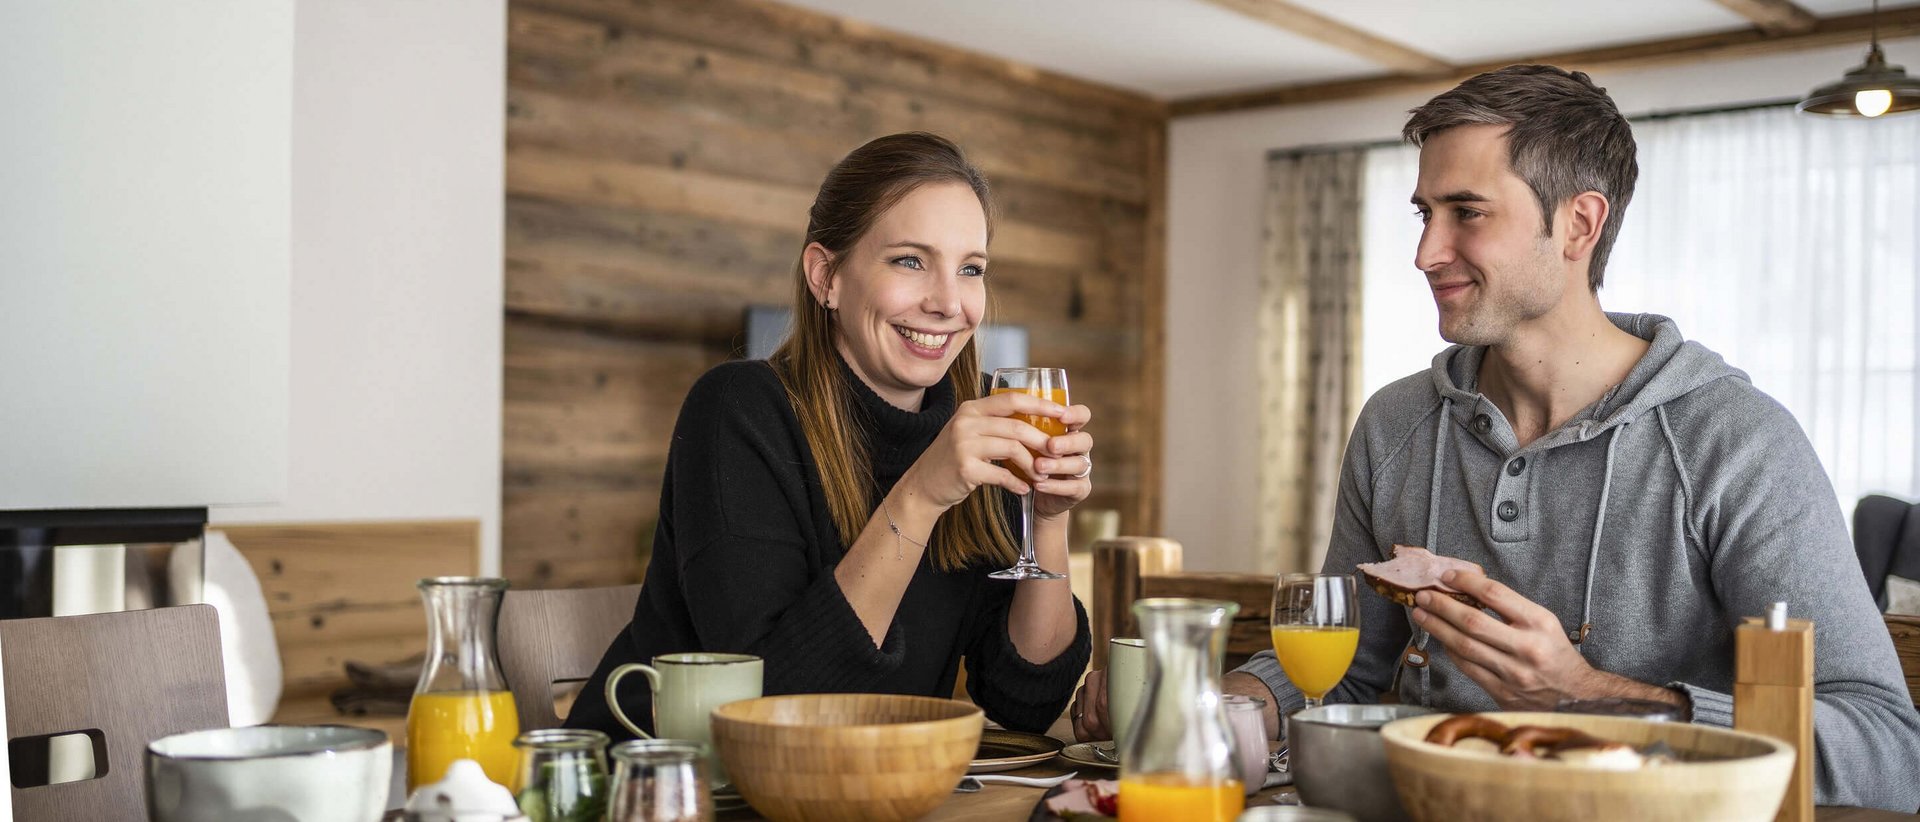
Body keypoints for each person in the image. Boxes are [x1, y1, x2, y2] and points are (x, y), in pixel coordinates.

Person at [1071, 65, 1920, 810]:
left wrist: (1586, 691)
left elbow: (1888, 746)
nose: (1426, 251)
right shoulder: (1396, 425)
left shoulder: (1737, 443)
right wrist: (1222, 705)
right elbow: (1343, 667)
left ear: (1580, 225)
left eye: (1466, 212)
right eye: (1423, 212)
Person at [567, 132, 1094, 741]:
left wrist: (1046, 519)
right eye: (910, 260)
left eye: (970, 269)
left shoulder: (974, 429)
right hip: (663, 790)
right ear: (826, 276)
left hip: (858, 794)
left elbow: (1026, 700)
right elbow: (773, 707)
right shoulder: (738, 410)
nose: (950, 302)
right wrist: (921, 495)